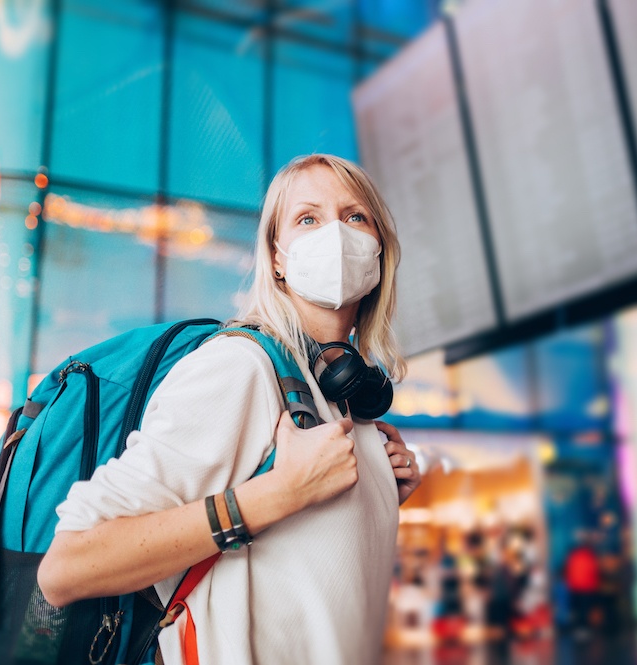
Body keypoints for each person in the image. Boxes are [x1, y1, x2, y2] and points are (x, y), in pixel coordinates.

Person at [36, 154, 422, 664]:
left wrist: (385, 496)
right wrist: (279, 494)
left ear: (378, 251)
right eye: (308, 218)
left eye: (355, 217)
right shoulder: (242, 367)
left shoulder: (351, 399)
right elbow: (67, 568)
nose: (336, 233)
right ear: (277, 258)